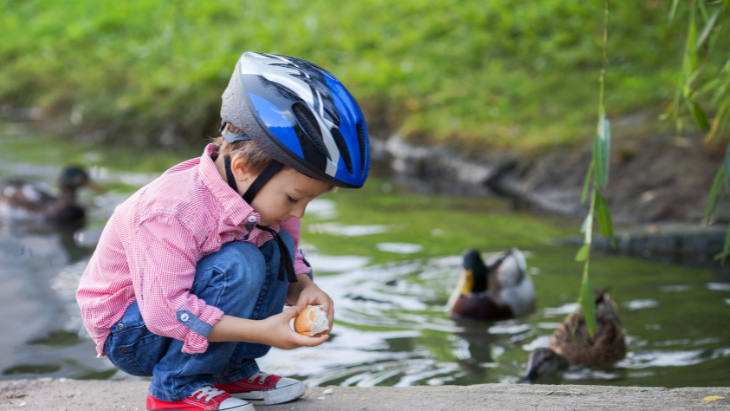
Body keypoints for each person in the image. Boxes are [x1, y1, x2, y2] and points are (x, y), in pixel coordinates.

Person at [76, 51, 370, 411]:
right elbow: (165, 312)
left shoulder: (270, 204)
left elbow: (289, 258)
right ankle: (175, 388)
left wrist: (305, 286)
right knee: (240, 261)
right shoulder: (172, 210)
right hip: (132, 333)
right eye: (294, 198)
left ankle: (230, 371)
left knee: (271, 247)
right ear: (244, 167)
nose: (299, 213)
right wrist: (262, 332)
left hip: (176, 317)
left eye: (307, 202)